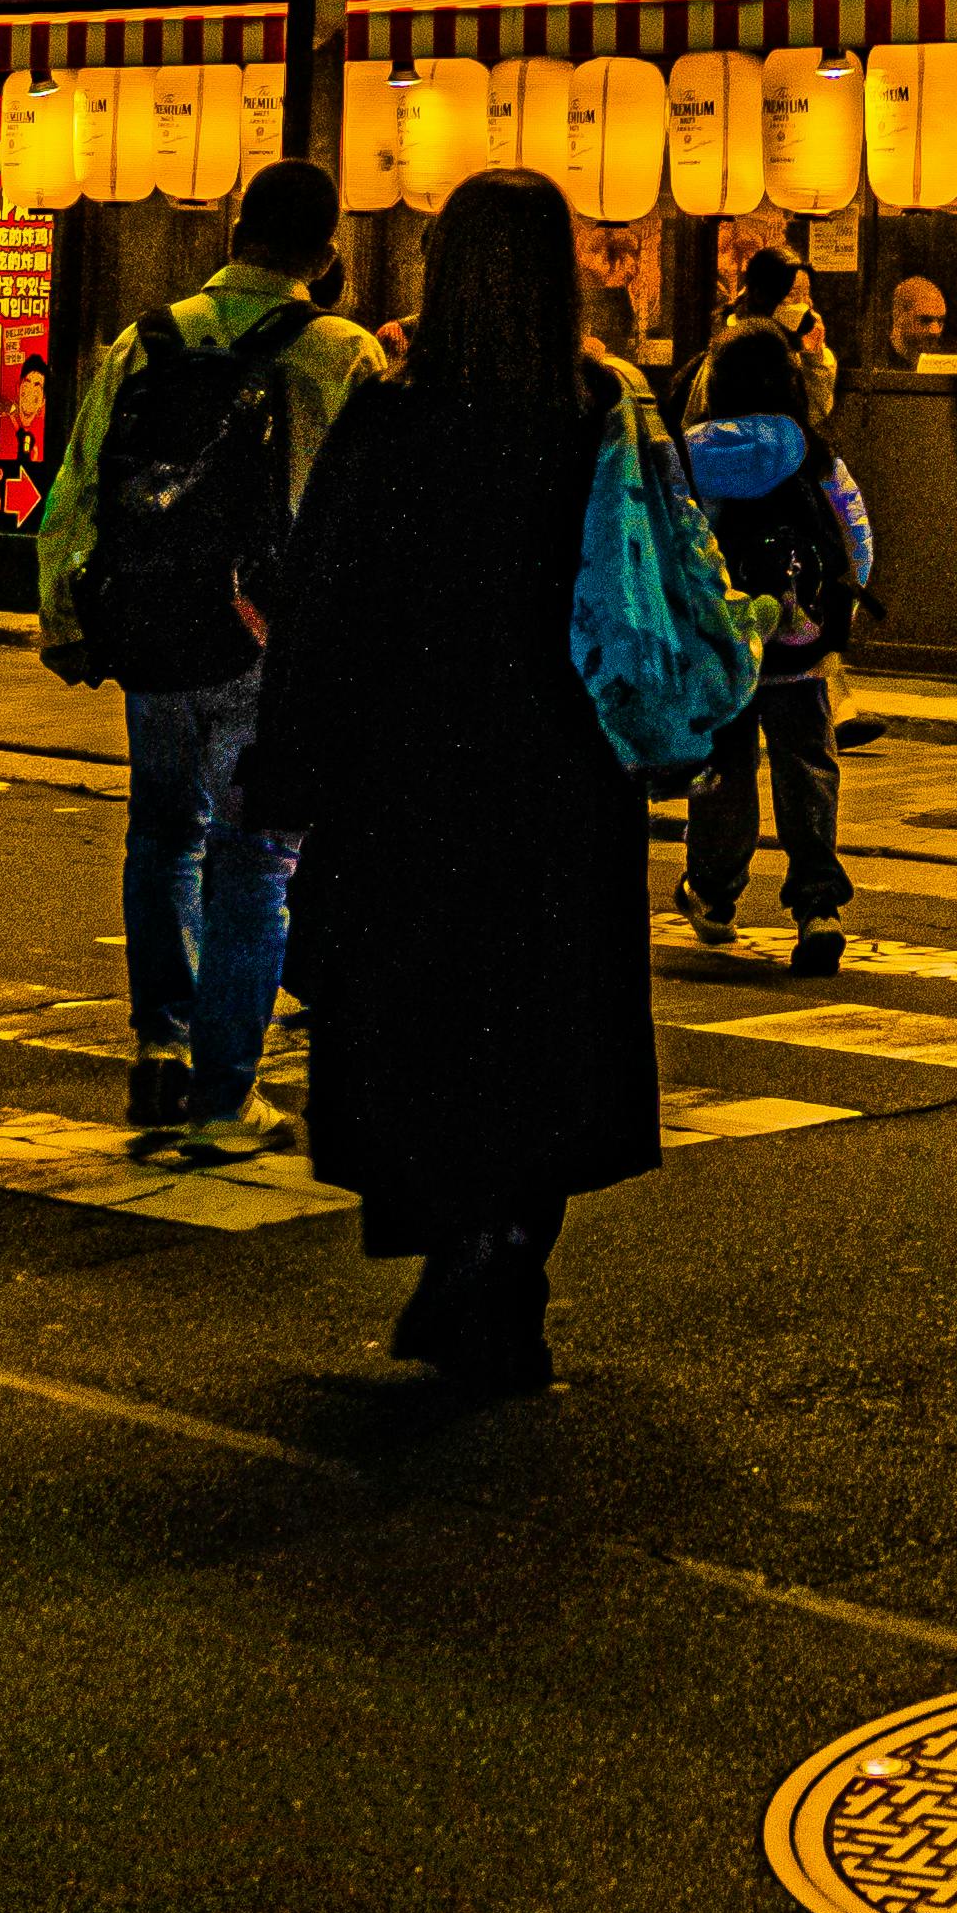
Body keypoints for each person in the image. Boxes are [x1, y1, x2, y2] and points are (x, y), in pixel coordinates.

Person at [245, 166, 661, 1401]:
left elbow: (324, 602)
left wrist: (294, 764)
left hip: (411, 775)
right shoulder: (604, 413)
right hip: (562, 775)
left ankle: (455, 1248)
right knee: (543, 1026)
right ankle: (509, 1266)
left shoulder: (396, 415)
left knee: (423, 1019)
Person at [37, 151, 381, 1158]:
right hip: (272, 642)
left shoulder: (147, 340)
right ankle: (224, 1093)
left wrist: (65, 617)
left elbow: (77, 488)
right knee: (255, 858)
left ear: (236, 227)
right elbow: (366, 516)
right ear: (327, 245)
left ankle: (161, 1043)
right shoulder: (340, 353)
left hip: (155, 632)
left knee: (161, 834)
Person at [676, 329, 869, 975]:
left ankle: (711, 891)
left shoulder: (689, 454)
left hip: (724, 646)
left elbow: (677, 543)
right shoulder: (810, 452)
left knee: (724, 772)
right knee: (806, 768)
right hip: (799, 646)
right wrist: (831, 614)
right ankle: (817, 905)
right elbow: (855, 538)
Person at [683, 239, 835, 429]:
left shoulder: (793, 349)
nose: (805, 304)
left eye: (806, 294)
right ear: (760, 296)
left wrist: (814, 358)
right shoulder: (732, 349)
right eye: (794, 294)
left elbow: (812, 415)